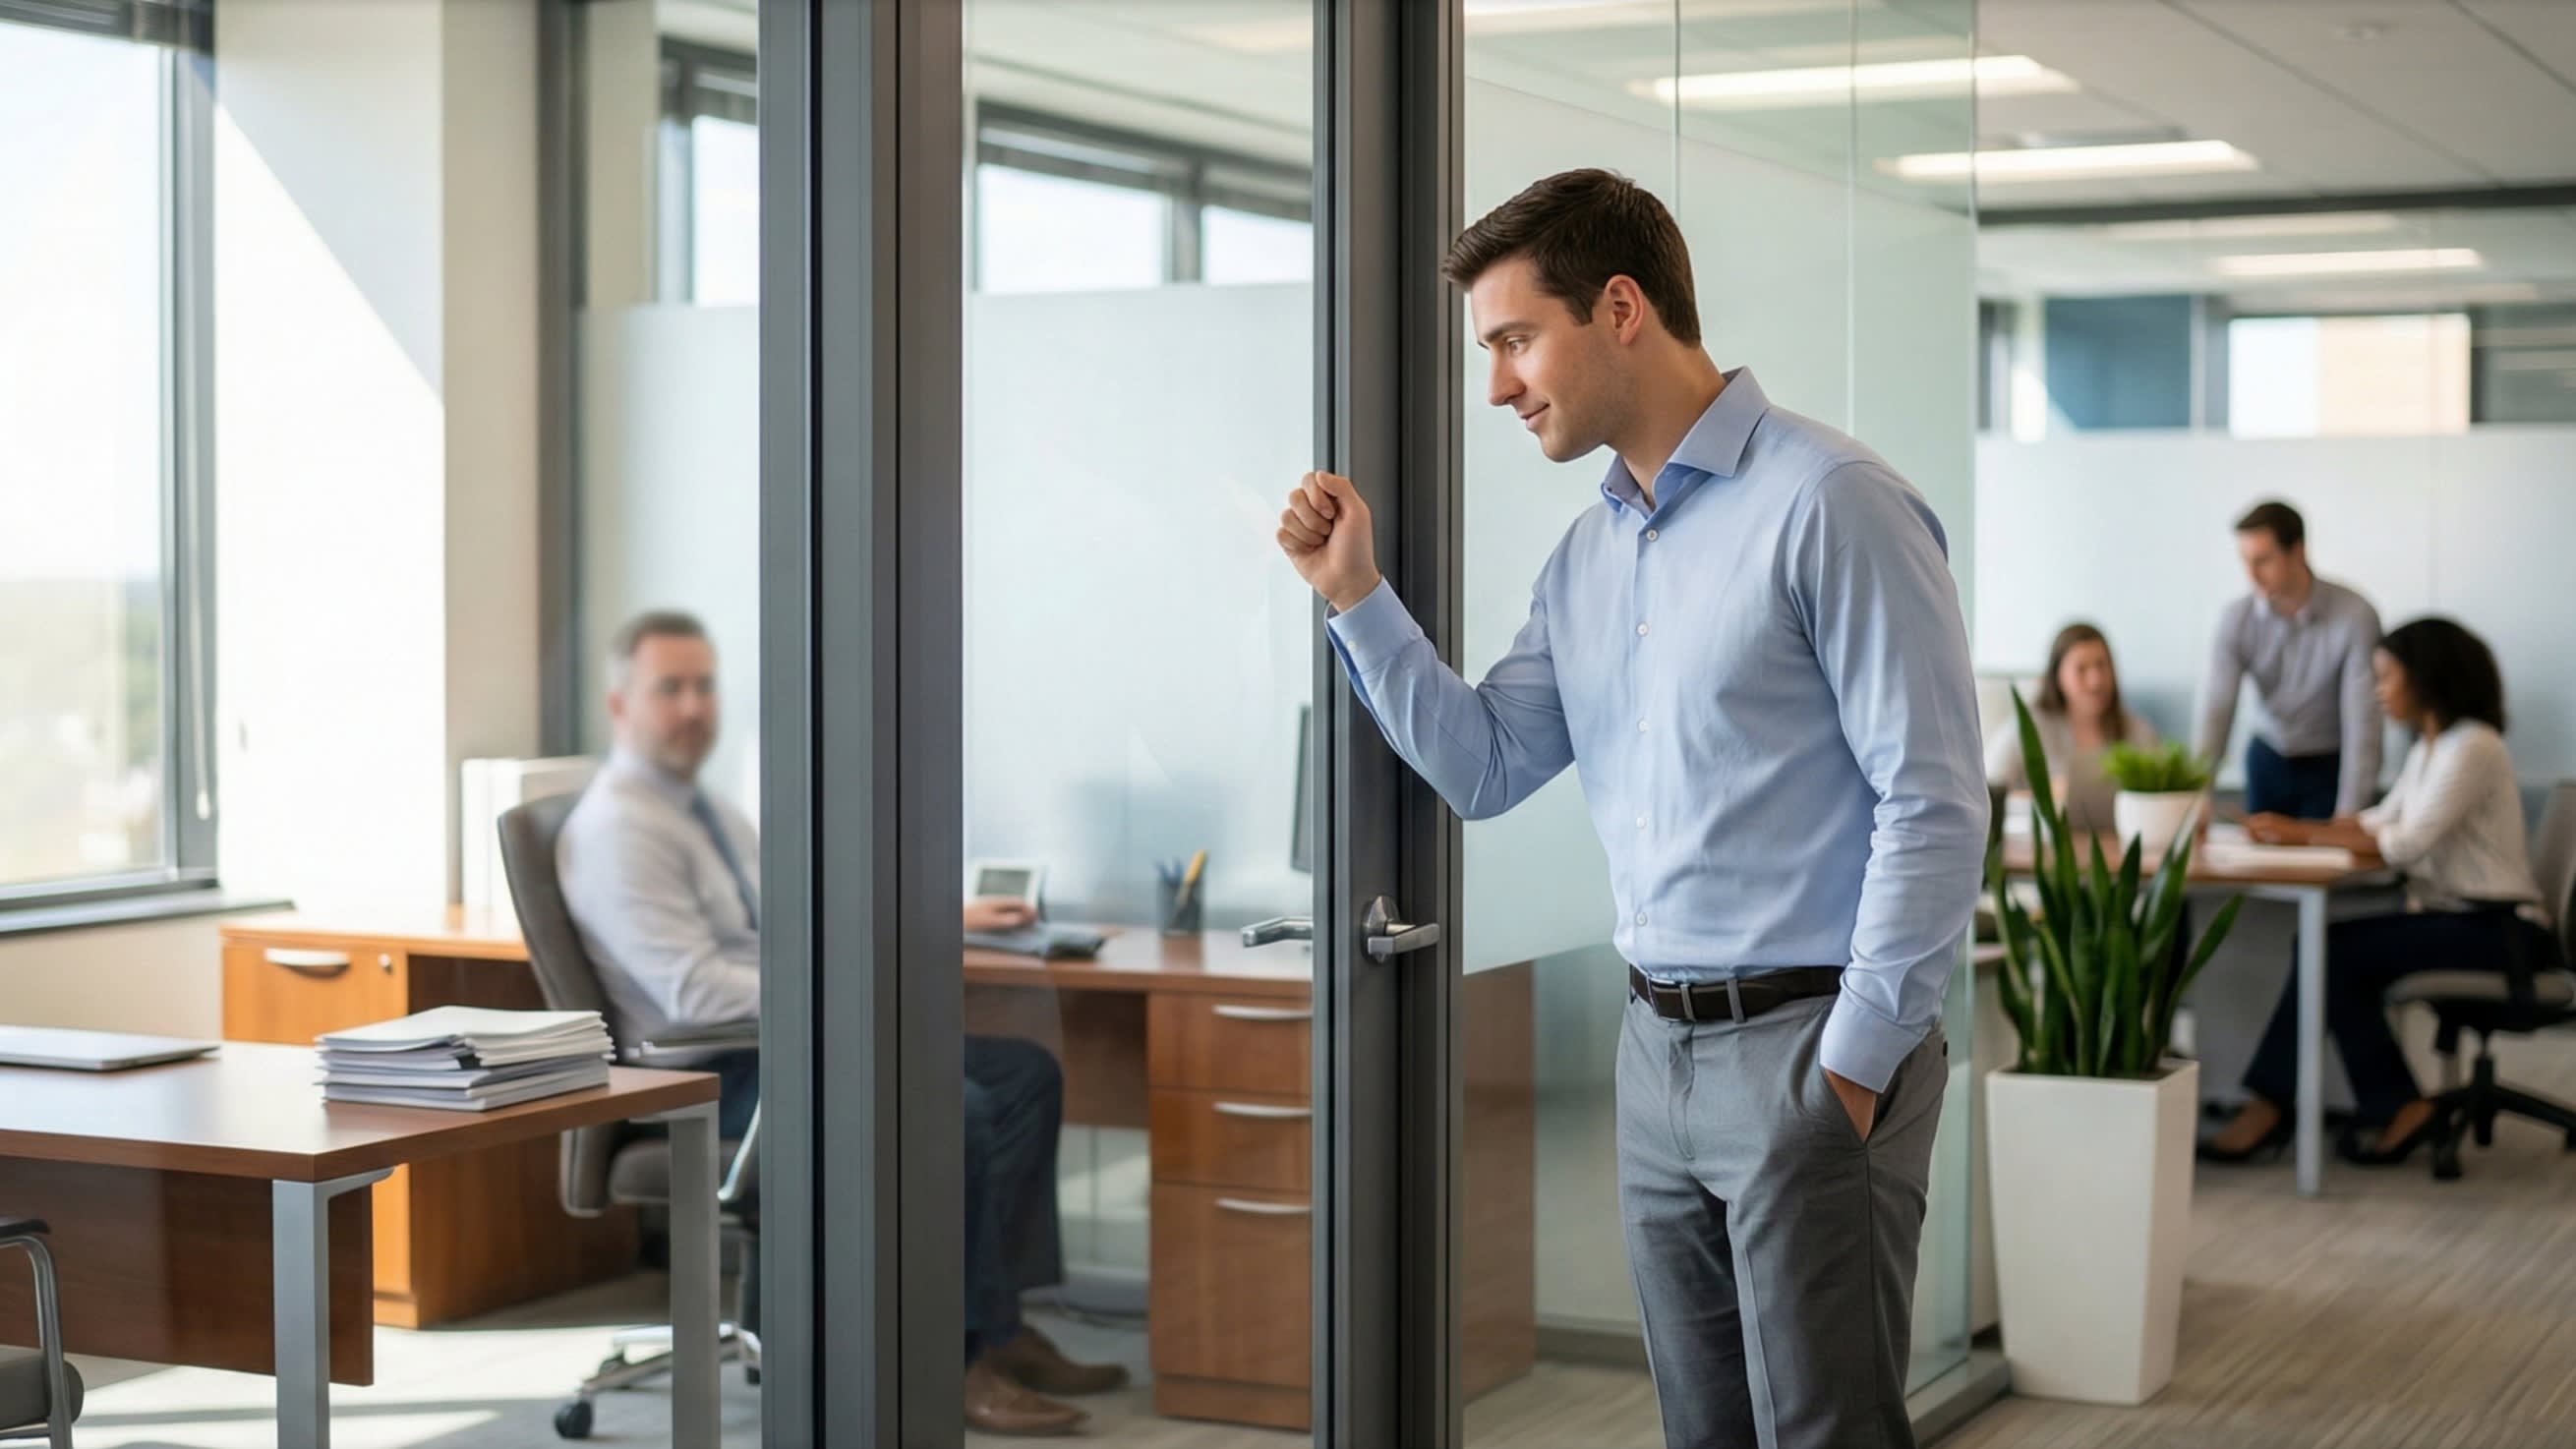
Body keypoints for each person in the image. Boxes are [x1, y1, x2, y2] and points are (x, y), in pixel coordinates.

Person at [1274, 170, 1985, 1449]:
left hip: (1811, 1046)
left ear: (1619, 308)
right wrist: (1355, 594)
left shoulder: (1831, 502)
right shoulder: (1593, 556)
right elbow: (1486, 762)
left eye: (1513, 340)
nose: (1497, 385)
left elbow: (1931, 800)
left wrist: (1857, 1064)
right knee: (1700, 1427)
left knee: (1825, 1428)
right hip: (1657, 1050)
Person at [557, 609, 1123, 1437]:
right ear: (619, 705)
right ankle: (958, 1360)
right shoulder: (619, 830)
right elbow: (693, 995)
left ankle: (1002, 1326)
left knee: (1022, 1073)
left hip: (784, 1046)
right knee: (949, 1105)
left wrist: (944, 914)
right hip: (709, 1072)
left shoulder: (706, 811)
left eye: (704, 686)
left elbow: (799, 923)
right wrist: (841, 992)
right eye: (668, 689)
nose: (693, 708)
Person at [2200, 617, 2553, 1167]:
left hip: (2501, 931)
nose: (2378, 690)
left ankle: (2302, 1106)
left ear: (2428, 677)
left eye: (2387, 676)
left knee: (2333, 952)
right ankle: (2377, 1103)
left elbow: (2406, 844)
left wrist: (2300, 832)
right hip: (2461, 920)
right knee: (2331, 951)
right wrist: (2284, 831)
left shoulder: (2473, 747)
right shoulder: (2429, 749)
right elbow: (2373, 823)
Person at [2197, 500, 2382, 822]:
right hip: (2268, 758)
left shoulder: (2355, 615)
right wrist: (2198, 795)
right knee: (2261, 866)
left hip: (2330, 765)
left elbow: (2363, 720)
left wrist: (2350, 811)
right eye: (2245, 560)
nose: (2252, 574)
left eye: (2263, 560)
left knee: (2326, 864)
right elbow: (2217, 708)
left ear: (2297, 551)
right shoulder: (2237, 618)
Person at [1984, 622, 2159, 834]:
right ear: (2058, 676)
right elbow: (1989, 792)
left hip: (2119, 852)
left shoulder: (2138, 732)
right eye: (2081, 669)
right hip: (2044, 854)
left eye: (2102, 666)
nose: (2095, 681)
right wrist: (2043, 796)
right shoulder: (2027, 729)